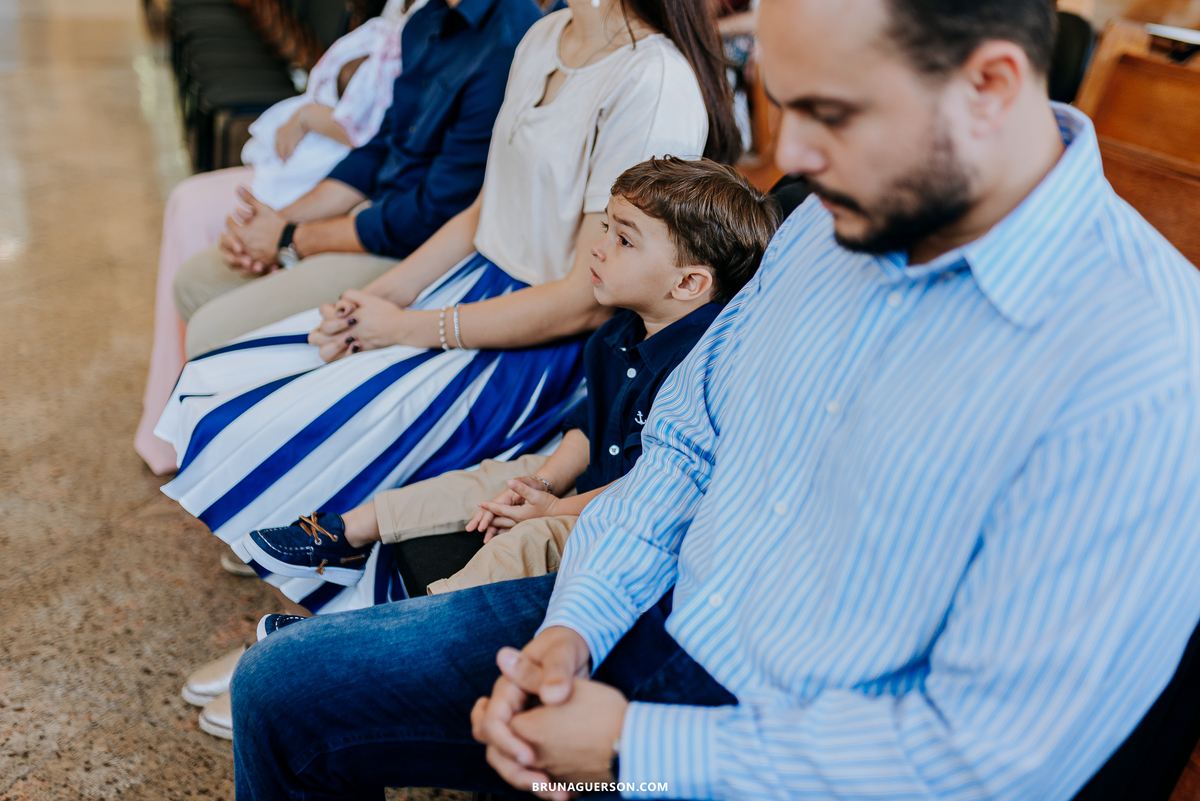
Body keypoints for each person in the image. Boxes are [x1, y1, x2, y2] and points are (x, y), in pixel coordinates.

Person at [229, 0, 1200, 797]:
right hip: (656, 608)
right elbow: (689, 447)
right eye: (786, 112)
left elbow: (996, 758)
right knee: (283, 686)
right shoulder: (828, 227)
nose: (796, 164)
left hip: (819, 744)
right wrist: (574, 628)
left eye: (832, 114)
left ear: (989, 86)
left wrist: (640, 749)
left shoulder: (1139, 364)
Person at [155, 0, 738, 617]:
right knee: (243, 379)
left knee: (330, 419)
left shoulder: (653, 79)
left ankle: (310, 645)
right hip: (468, 284)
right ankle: (294, 612)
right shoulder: (545, 36)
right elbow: (483, 208)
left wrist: (406, 327)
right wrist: (383, 299)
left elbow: (586, 297)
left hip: (539, 338)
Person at [237, 157, 779, 596]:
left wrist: (555, 508)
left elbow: (653, 490)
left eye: (625, 240)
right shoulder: (620, 332)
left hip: (639, 528)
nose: (597, 246)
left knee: (530, 540)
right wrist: (542, 482)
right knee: (494, 476)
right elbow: (589, 428)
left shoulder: (703, 368)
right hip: (590, 489)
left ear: (688, 284)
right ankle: (348, 534)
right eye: (606, 227)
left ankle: (402, 631)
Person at [132, 0, 541, 474]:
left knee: (211, 332)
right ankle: (241, 452)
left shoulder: (510, 39)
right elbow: (377, 151)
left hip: (420, 252)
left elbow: (430, 213)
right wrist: (275, 221)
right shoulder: (428, 20)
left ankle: (269, 489)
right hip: (381, 215)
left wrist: (293, 237)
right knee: (196, 281)